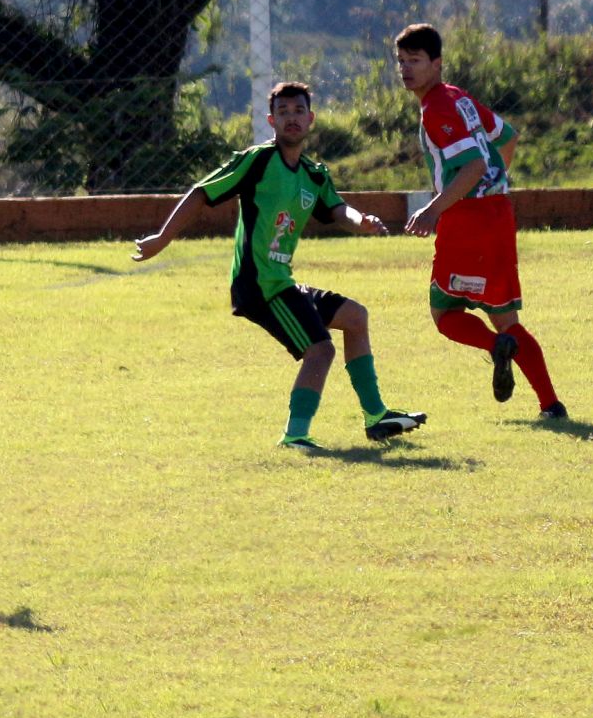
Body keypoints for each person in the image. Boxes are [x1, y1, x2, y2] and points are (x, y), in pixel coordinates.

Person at [134, 81, 425, 451]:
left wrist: (360, 219)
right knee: (320, 350)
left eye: (298, 111)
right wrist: (162, 239)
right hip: (259, 286)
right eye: (283, 112)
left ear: (311, 119)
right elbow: (201, 192)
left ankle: (376, 416)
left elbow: (336, 208)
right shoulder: (257, 161)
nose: (292, 119)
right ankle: (295, 436)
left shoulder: (313, 174)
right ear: (271, 120)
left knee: (355, 317)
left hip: (281, 282)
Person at [395, 23, 566, 419]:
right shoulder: (460, 98)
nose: (406, 69)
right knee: (506, 317)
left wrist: (434, 209)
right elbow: (508, 137)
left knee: (445, 314)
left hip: (466, 217)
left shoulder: (436, 107)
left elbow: (470, 165)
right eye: (401, 61)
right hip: (499, 213)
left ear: (436, 64)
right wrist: (495, 183)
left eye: (415, 61)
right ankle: (551, 405)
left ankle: (495, 348)